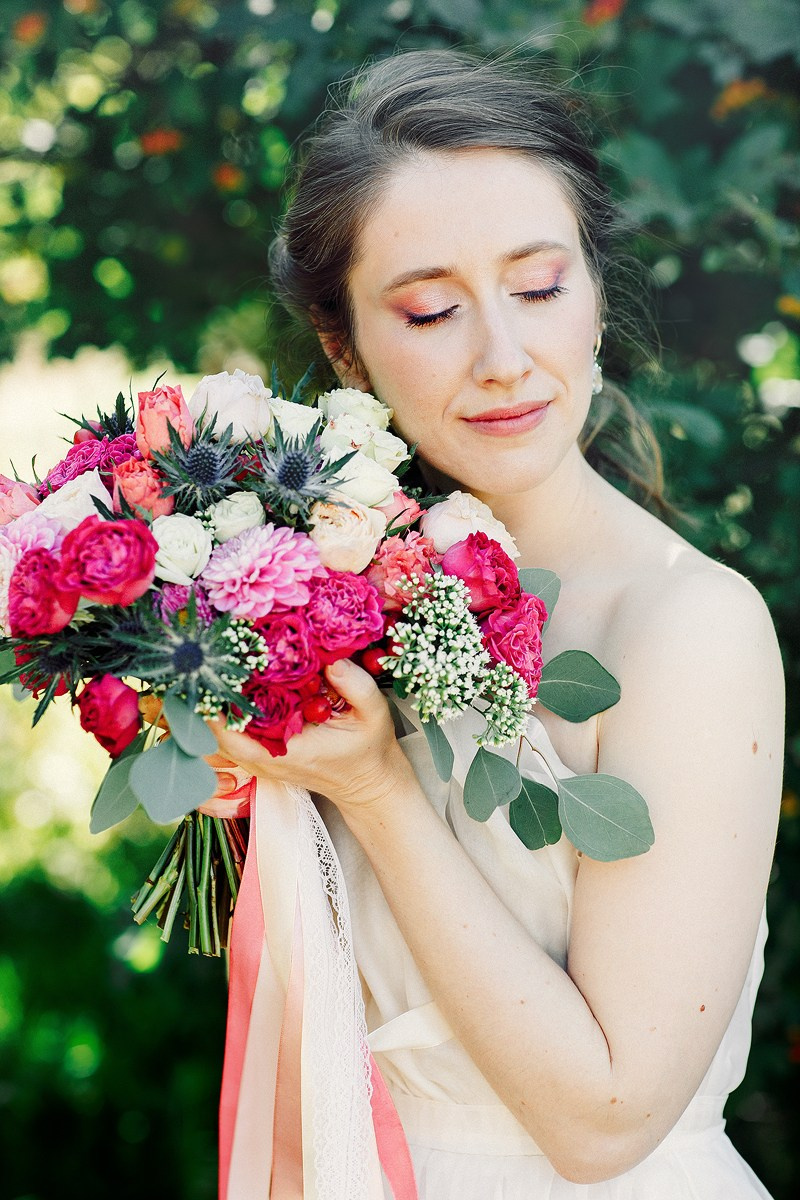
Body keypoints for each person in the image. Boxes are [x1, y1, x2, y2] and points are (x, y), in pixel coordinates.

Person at [211, 49, 784, 1196]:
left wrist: (374, 790)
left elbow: (605, 1121)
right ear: (342, 346)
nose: (504, 359)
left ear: (593, 292)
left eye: (537, 287)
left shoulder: (689, 630)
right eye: (429, 310)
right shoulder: (310, 591)